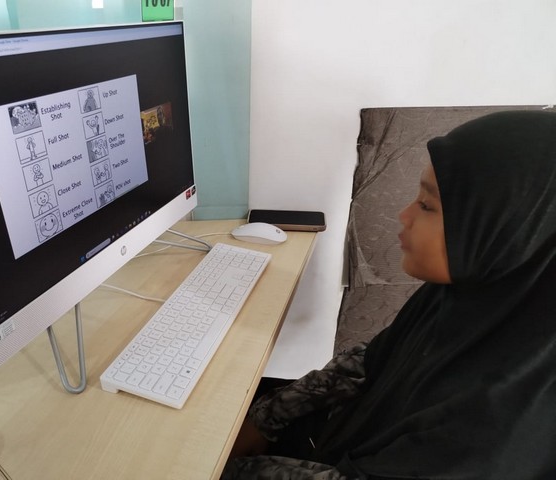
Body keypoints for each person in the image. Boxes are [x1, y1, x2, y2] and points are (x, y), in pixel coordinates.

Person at [222, 110, 556, 479]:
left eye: (426, 205)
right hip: (346, 439)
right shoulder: (469, 296)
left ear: (509, 232)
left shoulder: (499, 428)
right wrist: (263, 419)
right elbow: (371, 361)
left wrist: (221, 467)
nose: (404, 215)